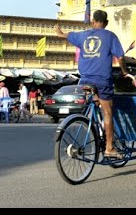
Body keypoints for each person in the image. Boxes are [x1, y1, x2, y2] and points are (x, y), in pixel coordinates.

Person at [55, 9, 128, 159]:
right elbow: (120, 57)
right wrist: (124, 71)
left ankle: (96, 127)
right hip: (102, 79)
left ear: (93, 22)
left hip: (85, 79)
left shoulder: (83, 35)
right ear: (106, 23)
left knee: (95, 102)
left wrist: (60, 33)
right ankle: (109, 147)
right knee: (107, 112)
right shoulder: (110, 36)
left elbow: (67, 35)